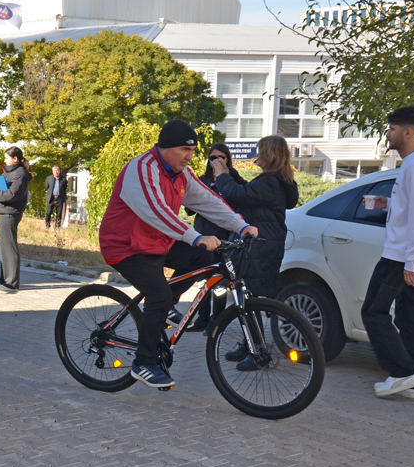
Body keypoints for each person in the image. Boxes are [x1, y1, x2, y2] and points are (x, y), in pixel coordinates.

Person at [97, 120, 258, 390]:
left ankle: (163, 306)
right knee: (158, 295)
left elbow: (208, 201)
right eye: (185, 150)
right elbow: (156, 212)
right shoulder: (142, 169)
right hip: (125, 246)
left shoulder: (181, 173)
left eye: (193, 151)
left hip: (158, 242)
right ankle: (143, 363)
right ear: (166, 148)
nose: (190, 156)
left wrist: (240, 225)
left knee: (203, 257)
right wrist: (196, 237)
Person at [362, 107, 414, 399]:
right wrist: (388, 203)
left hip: (403, 256)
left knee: (373, 311)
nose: (388, 134)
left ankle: (404, 371)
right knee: (409, 317)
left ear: (408, 132)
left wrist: (411, 262)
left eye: (391, 129)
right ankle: (408, 377)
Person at [210, 135, 299, 370]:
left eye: (260, 151)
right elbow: (246, 192)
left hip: (258, 247)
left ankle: (258, 351)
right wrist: (229, 174)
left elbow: (237, 194)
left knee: (249, 297)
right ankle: (250, 343)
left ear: (269, 154)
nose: (255, 155)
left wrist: (221, 175)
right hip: (264, 245)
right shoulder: (277, 181)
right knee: (249, 296)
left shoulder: (270, 183)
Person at [184, 143, 247, 331]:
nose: (216, 161)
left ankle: (216, 321)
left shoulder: (233, 180)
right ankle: (202, 319)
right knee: (203, 280)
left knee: (220, 283)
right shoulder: (201, 180)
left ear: (228, 159)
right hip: (203, 235)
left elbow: (242, 200)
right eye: (213, 158)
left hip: (223, 237)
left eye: (221, 157)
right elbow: (189, 208)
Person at [0, 147, 31, 293]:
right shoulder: (11, 171)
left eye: (7, 158)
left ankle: (12, 283)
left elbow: (12, 194)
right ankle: (4, 279)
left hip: (10, 212)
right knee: (4, 248)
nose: (4, 161)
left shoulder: (20, 173)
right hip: (4, 211)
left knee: (10, 247)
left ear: (15, 159)